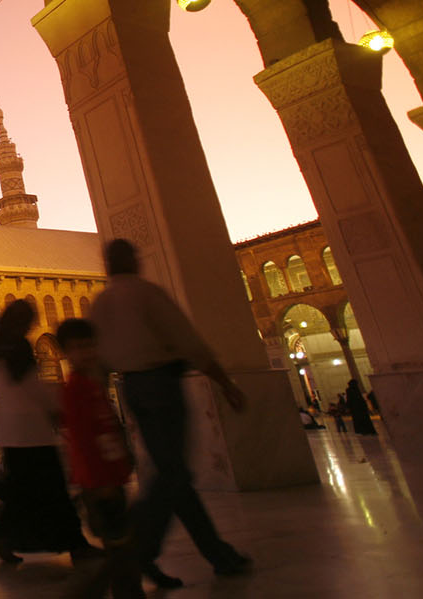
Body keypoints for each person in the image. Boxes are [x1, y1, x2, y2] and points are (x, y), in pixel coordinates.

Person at [89, 238, 251, 587]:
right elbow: (187, 340)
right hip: (161, 385)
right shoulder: (146, 293)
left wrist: (100, 406)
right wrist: (225, 383)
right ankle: (140, 551)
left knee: (172, 474)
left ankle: (215, 554)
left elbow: (98, 363)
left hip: (131, 388)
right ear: (133, 260)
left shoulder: (101, 302)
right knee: (172, 474)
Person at [0, 299, 96, 565]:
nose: (32, 325)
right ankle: (76, 545)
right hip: (32, 431)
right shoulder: (20, 347)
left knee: (19, 492)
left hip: (10, 432)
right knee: (54, 490)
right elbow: (31, 387)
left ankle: (3, 539)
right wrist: (61, 401)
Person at [57, 318, 142, 599]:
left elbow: (107, 427)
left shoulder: (92, 384)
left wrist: (123, 463)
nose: (87, 352)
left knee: (121, 548)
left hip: (111, 479)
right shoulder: (75, 389)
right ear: (66, 353)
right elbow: (81, 441)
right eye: (78, 348)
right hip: (98, 485)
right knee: (119, 549)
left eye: (90, 346)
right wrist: (98, 481)